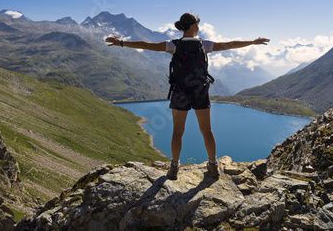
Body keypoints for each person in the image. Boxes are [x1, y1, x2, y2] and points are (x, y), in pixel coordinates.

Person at [105, 12, 269, 180]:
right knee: (207, 130)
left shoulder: (173, 45)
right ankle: (213, 166)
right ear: (192, 26)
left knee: (178, 132)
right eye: (197, 24)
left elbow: (146, 45)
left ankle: (174, 168)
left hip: (180, 93)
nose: (198, 27)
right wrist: (252, 42)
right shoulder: (204, 45)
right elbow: (230, 44)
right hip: (200, 92)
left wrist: (122, 43)